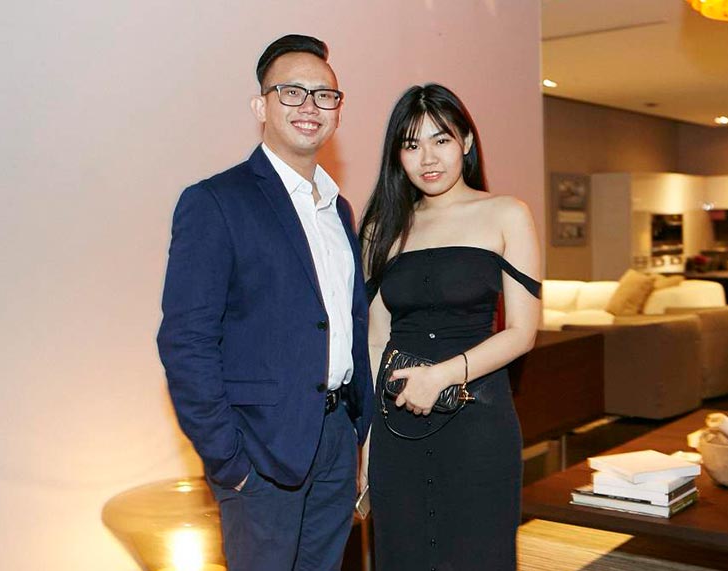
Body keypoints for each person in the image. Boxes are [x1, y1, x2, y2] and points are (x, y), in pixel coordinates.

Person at [156, 34, 373, 570]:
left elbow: (343, 322)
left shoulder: (338, 210)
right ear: (261, 107)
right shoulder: (215, 202)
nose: (310, 106)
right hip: (259, 452)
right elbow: (186, 342)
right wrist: (229, 461)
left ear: (337, 111)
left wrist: (357, 431)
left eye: (324, 95)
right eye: (291, 92)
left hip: (335, 441)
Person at [359, 84, 542, 571]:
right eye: (411, 144)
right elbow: (376, 339)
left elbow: (522, 332)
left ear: (465, 141)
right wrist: (369, 445)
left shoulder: (506, 213)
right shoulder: (381, 227)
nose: (427, 158)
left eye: (440, 140)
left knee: (478, 555)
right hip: (396, 425)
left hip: (478, 422)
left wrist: (441, 376)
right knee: (403, 556)